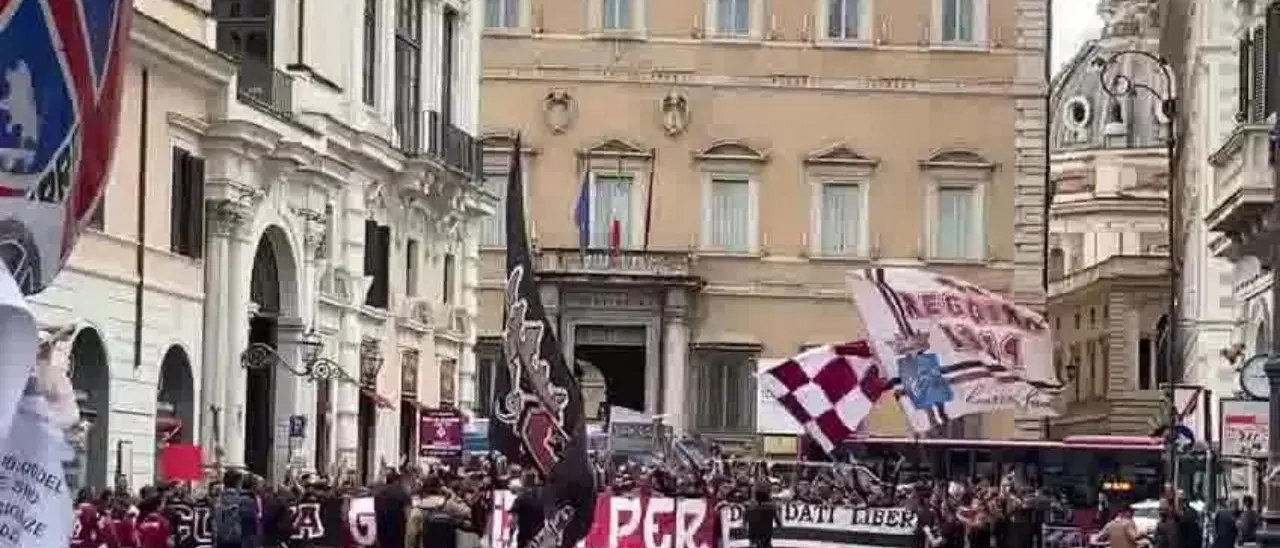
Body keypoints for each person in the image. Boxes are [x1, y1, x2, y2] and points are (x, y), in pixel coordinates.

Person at [213, 470, 261, 548]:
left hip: (220, 542)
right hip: (239, 543)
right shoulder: (246, 501)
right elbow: (252, 528)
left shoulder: (215, 501)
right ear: (238, 483)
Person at [374, 469, 413, 548]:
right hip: (398, 533)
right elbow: (408, 516)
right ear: (397, 480)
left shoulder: (378, 494)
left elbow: (376, 514)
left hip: (382, 533)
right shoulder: (403, 492)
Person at [508, 473, 544, 548]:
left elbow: (514, 521)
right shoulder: (543, 497)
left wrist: (510, 536)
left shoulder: (520, 499)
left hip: (524, 538)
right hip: (540, 538)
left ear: (524, 482)